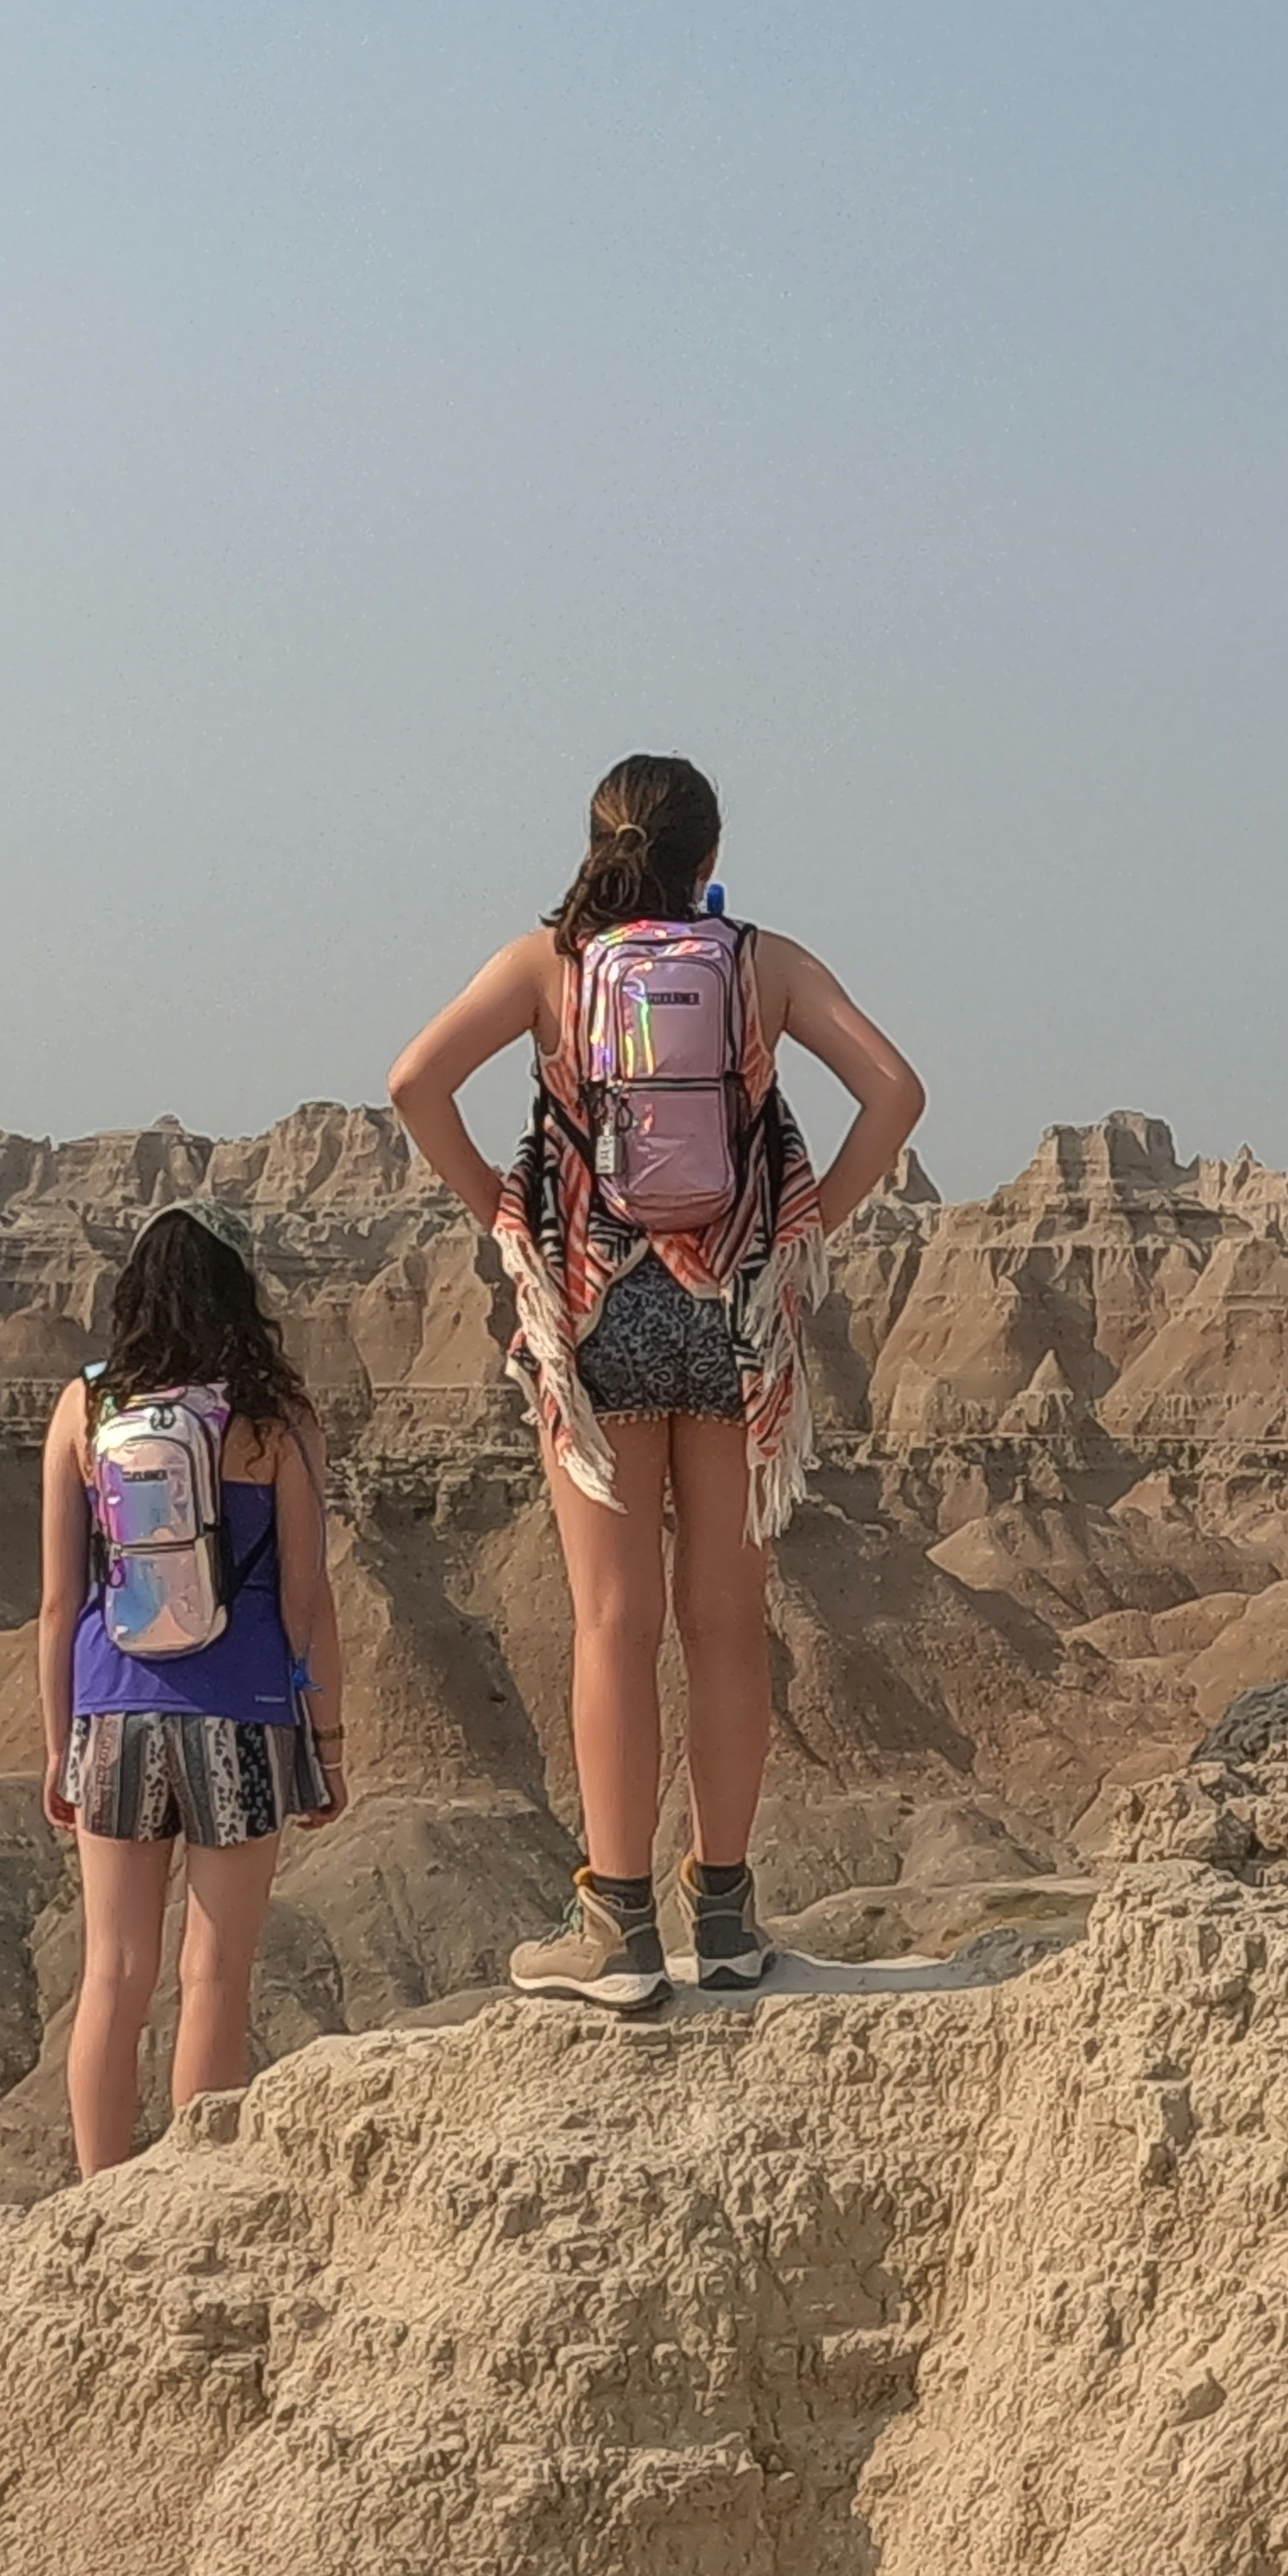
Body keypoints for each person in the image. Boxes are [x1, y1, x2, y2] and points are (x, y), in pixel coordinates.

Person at [387, 751, 924, 2012]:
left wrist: (509, 1219)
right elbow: (897, 1093)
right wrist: (808, 1229)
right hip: (734, 1311)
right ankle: (727, 1917)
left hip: (594, 1313)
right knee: (727, 1625)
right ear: (709, 848)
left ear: (594, 841)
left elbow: (415, 1082)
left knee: (613, 1627)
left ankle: (616, 1930)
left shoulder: (547, 965)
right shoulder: (764, 963)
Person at [34, 1205, 347, 2170]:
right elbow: (308, 1596)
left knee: (113, 1973)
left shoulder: (86, 1408)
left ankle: (97, 2198)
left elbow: (56, 1600)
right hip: (241, 1714)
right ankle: (193, 2193)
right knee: (215, 1973)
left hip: (115, 1709)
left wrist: (59, 1747)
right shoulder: (274, 1415)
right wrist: (323, 1742)